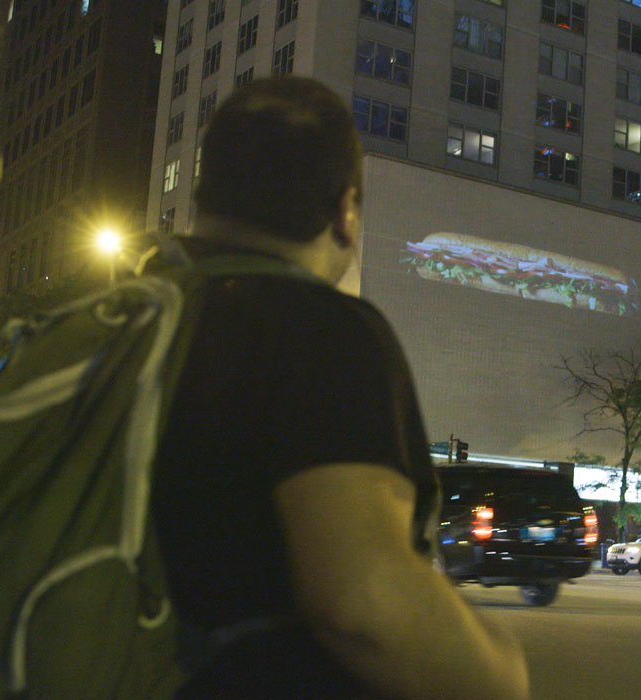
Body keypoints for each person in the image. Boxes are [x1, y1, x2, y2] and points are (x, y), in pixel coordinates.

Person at [149, 77, 530, 700]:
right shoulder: (320, 328)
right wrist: (501, 671)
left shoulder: (112, 313)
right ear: (345, 212)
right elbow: (364, 604)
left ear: (202, 198)